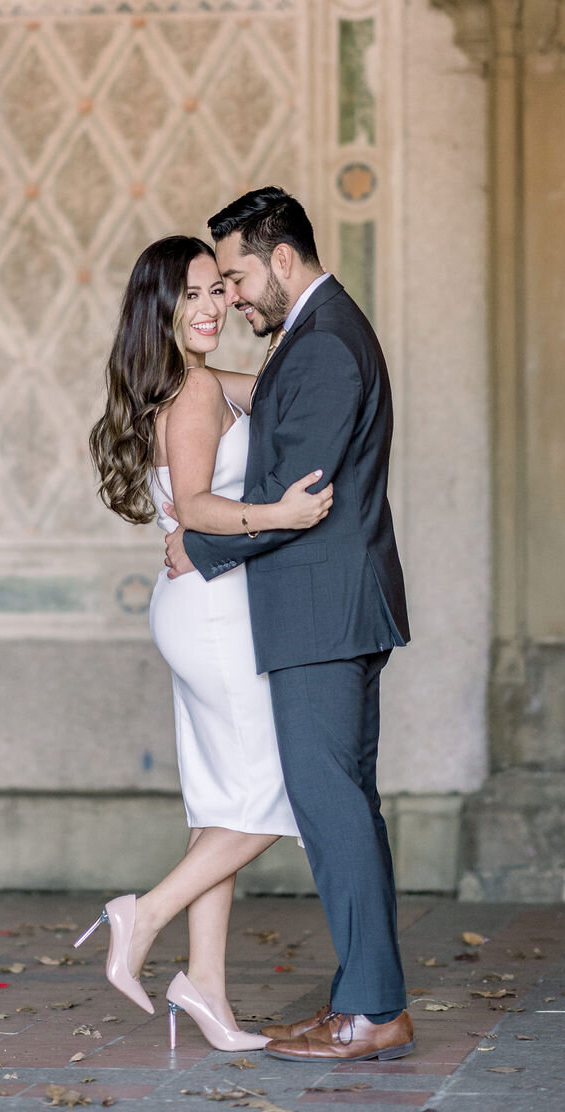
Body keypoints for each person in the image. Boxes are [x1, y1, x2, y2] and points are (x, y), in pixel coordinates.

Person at [163, 187, 415, 1064]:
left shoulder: (326, 345)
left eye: (234, 277)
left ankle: (373, 1011)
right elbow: (265, 422)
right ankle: (365, 999)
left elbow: (296, 495)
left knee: (331, 805)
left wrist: (198, 545)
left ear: (280, 258)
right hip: (327, 607)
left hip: (321, 610)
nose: (229, 297)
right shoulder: (314, 337)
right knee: (341, 805)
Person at [78, 234, 332, 1053]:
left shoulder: (195, 380)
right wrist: (280, 515)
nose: (213, 306)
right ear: (160, 306)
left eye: (219, 290)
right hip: (214, 611)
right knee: (274, 792)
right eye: (193, 294)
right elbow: (194, 507)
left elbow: (275, 393)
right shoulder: (189, 393)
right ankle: (141, 914)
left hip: (196, 604)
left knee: (221, 803)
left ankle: (207, 991)